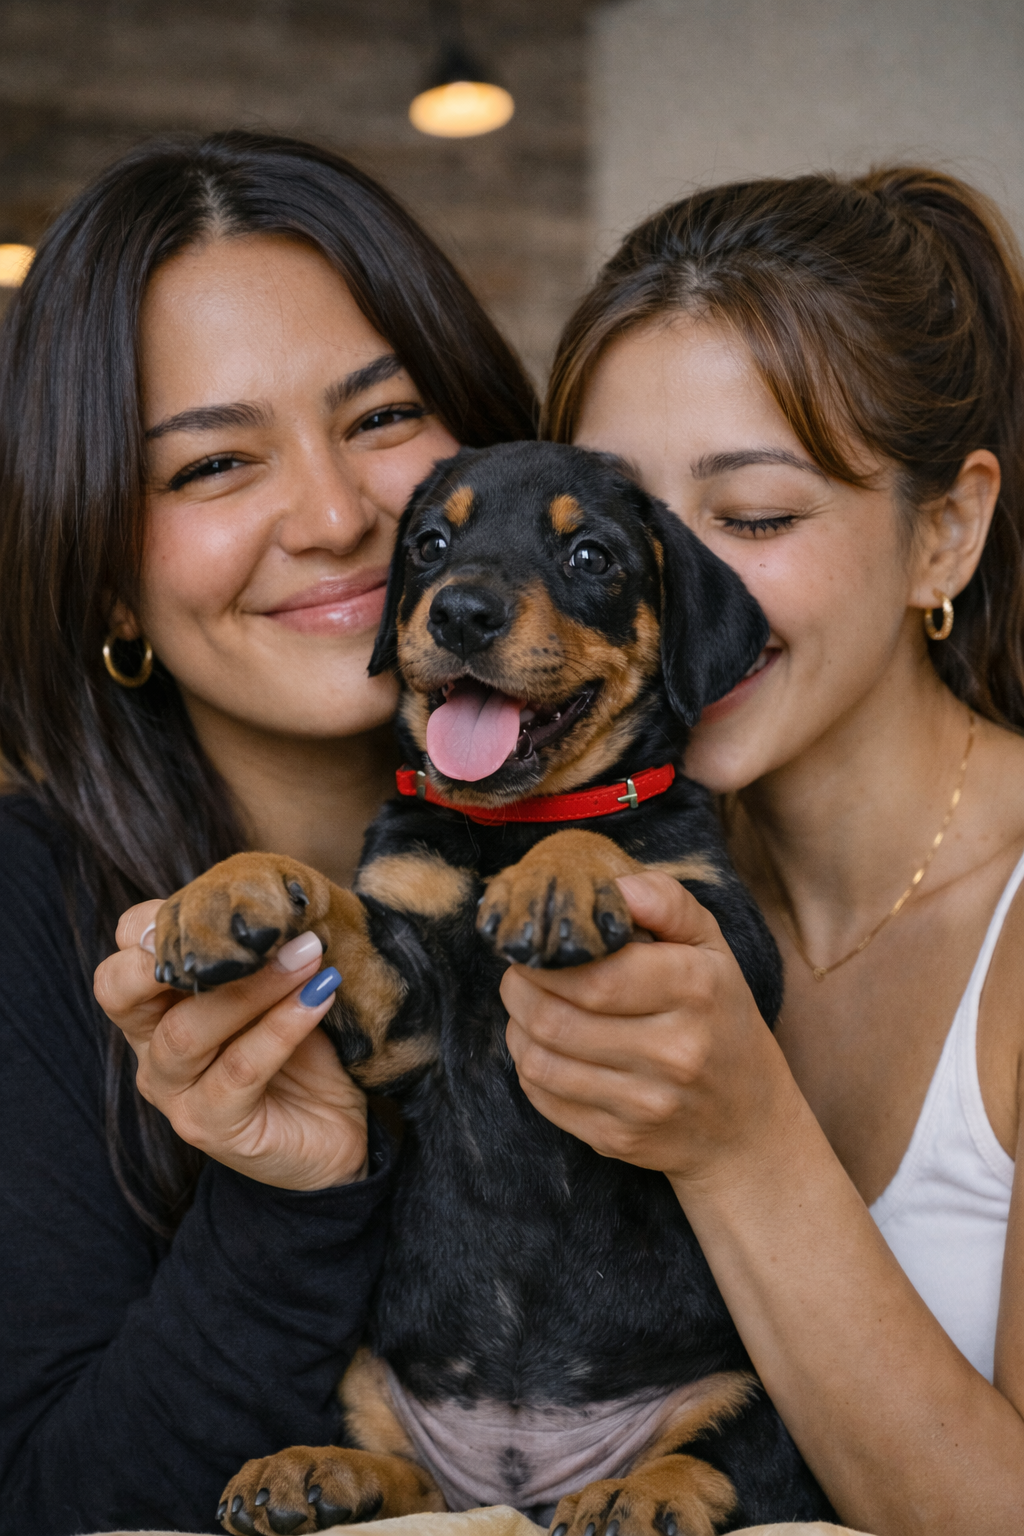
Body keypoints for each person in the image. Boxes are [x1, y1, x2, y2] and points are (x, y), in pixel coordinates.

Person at [0, 130, 536, 1536]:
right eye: (214, 466)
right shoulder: (22, 920)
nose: (338, 515)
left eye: (380, 418)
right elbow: (52, 1503)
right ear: (106, 582)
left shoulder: (661, 845)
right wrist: (293, 1199)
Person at [498, 168, 1024, 1535]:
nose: (678, 599)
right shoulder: (595, 886)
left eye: (756, 518)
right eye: (621, 530)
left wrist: (739, 1145)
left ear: (947, 532)